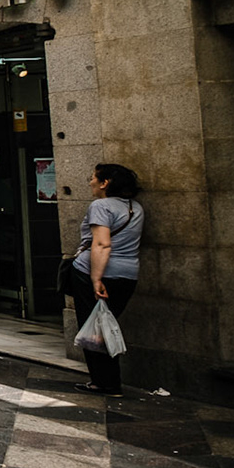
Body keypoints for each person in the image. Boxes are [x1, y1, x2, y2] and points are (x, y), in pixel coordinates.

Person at [66, 162, 145, 397]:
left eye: (93, 177)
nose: (90, 182)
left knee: (92, 329)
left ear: (105, 183)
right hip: (128, 274)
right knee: (105, 326)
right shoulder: (136, 207)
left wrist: (96, 279)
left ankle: (104, 383)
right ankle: (109, 381)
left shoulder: (100, 206)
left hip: (96, 272)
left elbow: (102, 243)